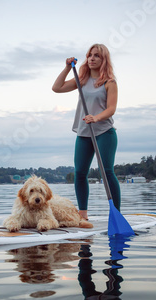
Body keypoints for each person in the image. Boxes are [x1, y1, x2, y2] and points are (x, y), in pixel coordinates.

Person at [52, 43, 121, 221]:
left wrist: (96, 118)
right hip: (84, 133)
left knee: (106, 172)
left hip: (104, 132)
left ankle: (116, 214)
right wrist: (67, 67)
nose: (91, 58)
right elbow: (57, 88)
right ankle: (83, 215)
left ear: (103, 59)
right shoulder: (81, 80)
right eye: (89, 55)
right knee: (80, 173)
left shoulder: (109, 82)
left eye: (96, 55)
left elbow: (111, 109)